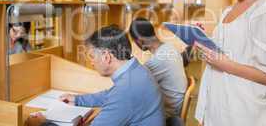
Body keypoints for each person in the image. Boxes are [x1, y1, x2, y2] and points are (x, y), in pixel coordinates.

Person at [26, 25, 164, 126]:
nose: (91, 62)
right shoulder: (136, 70)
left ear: (106, 57)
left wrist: (43, 124)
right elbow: (109, 95)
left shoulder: (126, 89)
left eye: (92, 56)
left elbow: (118, 96)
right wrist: (77, 100)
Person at [129, 17, 188, 121]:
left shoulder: (156, 61)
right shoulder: (170, 47)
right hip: (173, 106)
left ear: (140, 41)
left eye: (134, 42)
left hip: (166, 114)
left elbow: (134, 87)